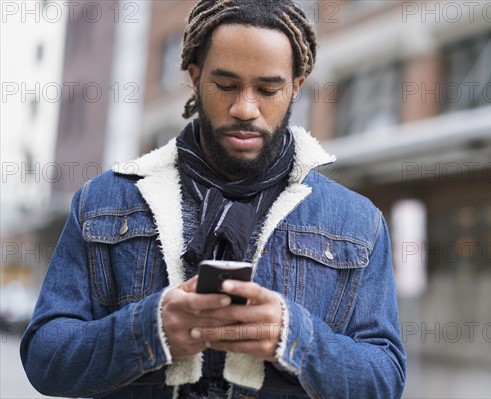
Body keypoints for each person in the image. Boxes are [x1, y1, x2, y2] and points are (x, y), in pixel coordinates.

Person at [20, 1, 407, 398]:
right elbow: (45, 360)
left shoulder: (357, 221)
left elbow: (384, 380)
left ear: (296, 87)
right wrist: (149, 330)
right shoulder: (102, 200)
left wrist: (294, 339)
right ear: (194, 77)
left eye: (268, 89)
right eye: (225, 86)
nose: (245, 108)